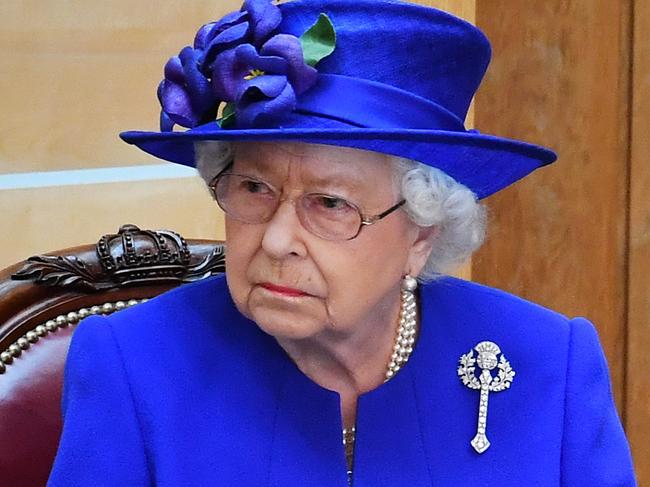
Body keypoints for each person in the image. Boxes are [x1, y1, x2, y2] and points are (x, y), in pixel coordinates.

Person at [47, 0, 637, 485]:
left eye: (330, 204)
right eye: (254, 187)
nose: (278, 240)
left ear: (422, 234)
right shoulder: (133, 365)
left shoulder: (549, 365)